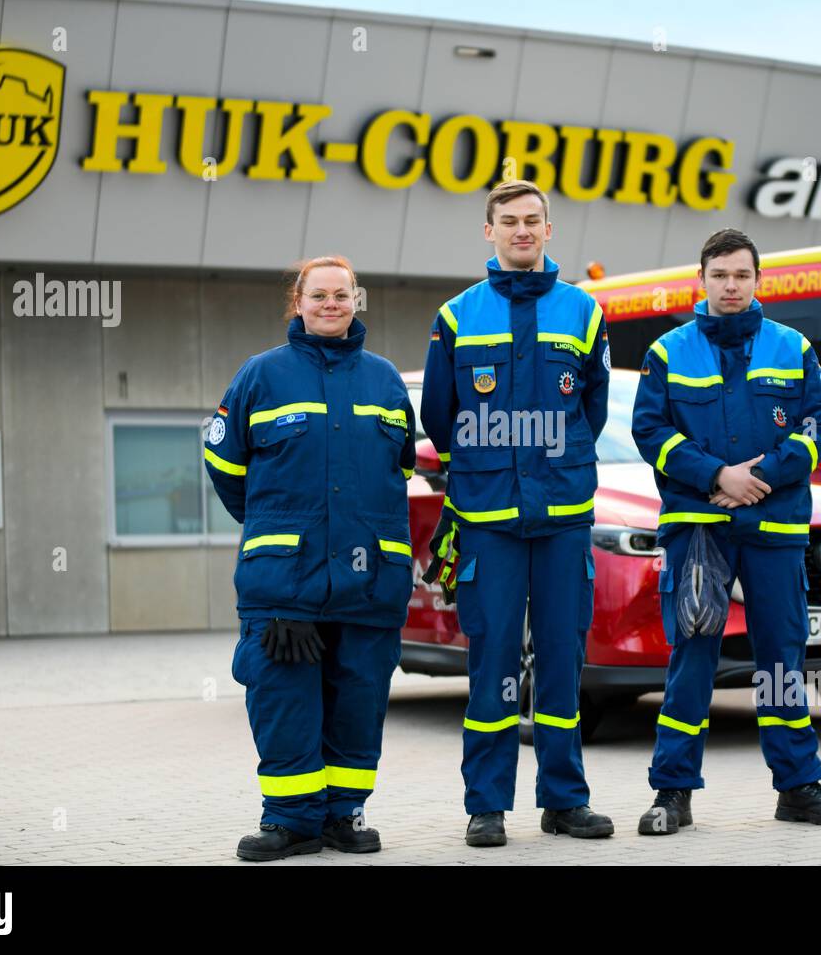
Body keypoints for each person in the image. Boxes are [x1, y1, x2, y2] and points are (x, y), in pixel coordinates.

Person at [631, 228, 821, 831]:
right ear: (701, 281)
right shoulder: (667, 352)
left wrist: (760, 474)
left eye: (741, 275)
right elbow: (650, 432)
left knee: (782, 659)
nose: (730, 286)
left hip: (774, 524)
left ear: (758, 281)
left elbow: (819, 424)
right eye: (719, 275)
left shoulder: (794, 347)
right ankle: (672, 793)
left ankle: (799, 788)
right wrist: (716, 477)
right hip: (699, 529)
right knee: (694, 653)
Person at [420, 179, 614, 847]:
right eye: (509, 221)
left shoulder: (584, 313)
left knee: (562, 659)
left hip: (562, 516)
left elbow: (592, 408)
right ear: (489, 231)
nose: (522, 231)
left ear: (548, 230)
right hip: (488, 519)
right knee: (495, 660)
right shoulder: (455, 317)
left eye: (533, 220)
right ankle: (487, 806)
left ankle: (565, 802)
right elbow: (440, 420)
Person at [206, 255, 416, 860]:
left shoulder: (384, 381)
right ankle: (290, 822)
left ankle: (342, 817)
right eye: (318, 294)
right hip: (285, 584)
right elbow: (224, 465)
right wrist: (276, 530)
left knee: (359, 701)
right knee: (284, 701)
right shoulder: (261, 376)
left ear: (357, 301)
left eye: (341, 295)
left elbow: (398, 468)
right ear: (297, 302)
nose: (330, 304)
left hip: (368, 581)